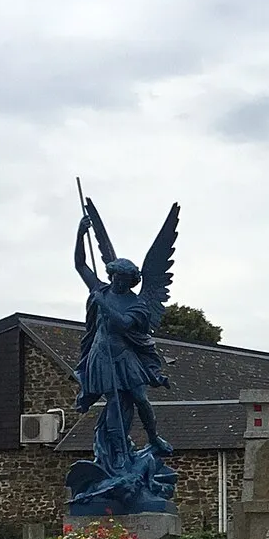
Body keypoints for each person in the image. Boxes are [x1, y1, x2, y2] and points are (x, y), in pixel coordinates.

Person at [69, 195, 180, 511]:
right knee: (115, 407)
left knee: (140, 398)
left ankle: (153, 438)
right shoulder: (102, 290)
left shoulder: (138, 303)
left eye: (118, 277)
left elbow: (123, 325)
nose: (112, 280)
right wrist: (81, 233)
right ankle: (116, 456)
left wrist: (104, 305)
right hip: (101, 358)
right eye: (111, 276)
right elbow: (79, 265)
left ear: (128, 279)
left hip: (125, 358)